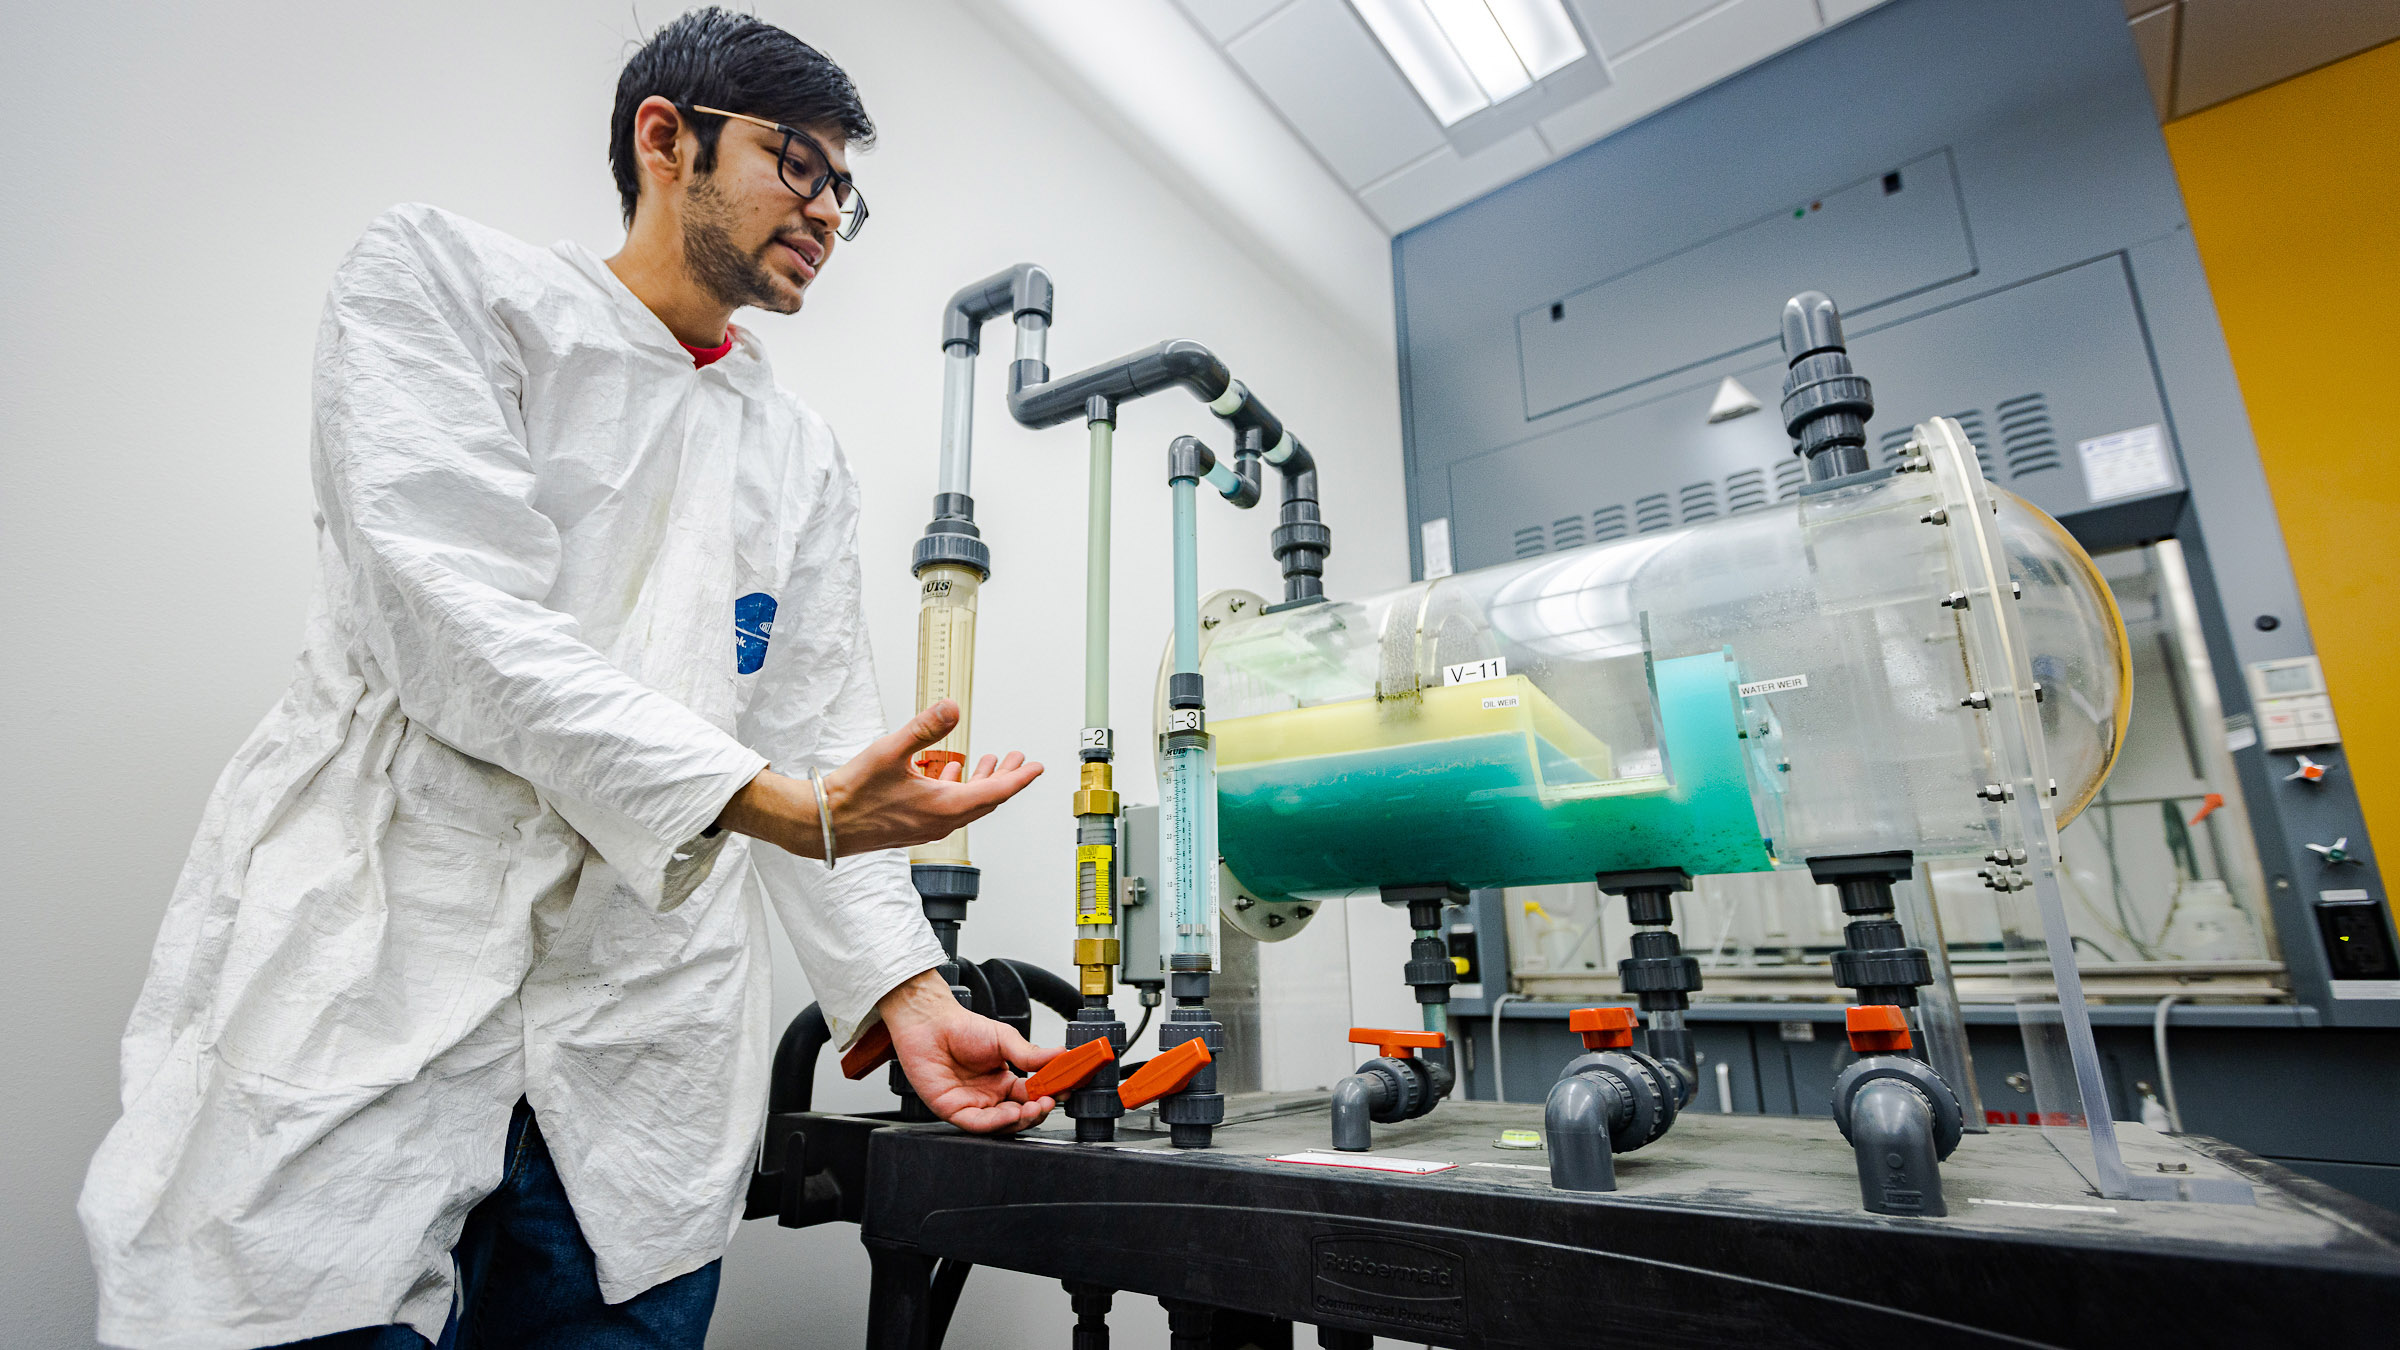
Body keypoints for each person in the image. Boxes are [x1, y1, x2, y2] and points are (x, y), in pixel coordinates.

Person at [77, 11, 1057, 1347]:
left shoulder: (800, 453)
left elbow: (819, 737)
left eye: (847, 188)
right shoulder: (446, 286)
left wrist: (908, 986)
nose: (829, 210)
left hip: (644, 1048)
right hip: (384, 988)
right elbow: (458, 623)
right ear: (668, 138)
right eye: (800, 165)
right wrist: (777, 803)